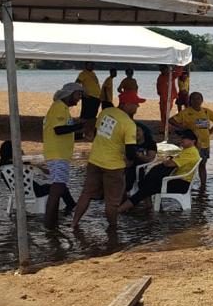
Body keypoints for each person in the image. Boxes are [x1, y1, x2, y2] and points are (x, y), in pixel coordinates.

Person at [71, 90, 144, 231]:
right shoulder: (129, 124)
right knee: (112, 201)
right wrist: (132, 160)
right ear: (126, 104)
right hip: (114, 166)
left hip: (95, 160)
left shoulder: (105, 112)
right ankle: (112, 228)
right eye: (135, 104)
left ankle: (74, 223)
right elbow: (130, 151)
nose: (137, 107)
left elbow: (97, 133)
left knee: (86, 193)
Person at [118, 129, 201, 212]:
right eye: (181, 137)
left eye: (185, 138)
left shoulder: (191, 153)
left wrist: (166, 161)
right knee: (145, 184)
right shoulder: (187, 151)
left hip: (181, 184)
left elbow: (170, 164)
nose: (181, 140)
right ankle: (147, 207)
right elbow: (171, 162)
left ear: (193, 141)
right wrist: (167, 161)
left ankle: (120, 210)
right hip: (177, 180)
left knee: (146, 188)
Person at [42, 82, 85, 228]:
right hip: (57, 154)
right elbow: (59, 130)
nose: (79, 98)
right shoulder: (59, 107)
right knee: (58, 186)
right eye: (78, 94)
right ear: (69, 94)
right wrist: (80, 125)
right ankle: (49, 223)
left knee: (59, 185)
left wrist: (81, 135)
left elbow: (65, 132)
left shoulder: (63, 109)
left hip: (59, 153)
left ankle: (52, 221)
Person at [170, 91, 213, 189]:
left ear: (202, 100)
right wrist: (183, 128)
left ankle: (203, 186)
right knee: (189, 165)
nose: (196, 101)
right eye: (193, 99)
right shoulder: (186, 112)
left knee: (202, 165)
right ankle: (186, 184)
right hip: (192, 145)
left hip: (205, 144)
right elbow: (171, 120)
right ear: (190, 101)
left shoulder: (206, 111)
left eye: (198, 98)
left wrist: (211, 131)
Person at [124, 117, 157, 196]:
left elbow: (150, 158)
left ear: (143, 131)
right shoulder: (129, 142)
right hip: (128, 164)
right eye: (133, 131)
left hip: (142, 165)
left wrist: (140, 156)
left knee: (134, 171)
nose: (135, 133)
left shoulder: (150, 143)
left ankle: (128, 191)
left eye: (137, 131)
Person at [156, 66, 179, 131]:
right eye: (161, 69)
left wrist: (177, 66)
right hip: (162, 97)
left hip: (169, 97)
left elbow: (178, 73)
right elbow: (158, 85)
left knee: (166, 112)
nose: (162, 71)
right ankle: (163, 126)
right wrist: (159, 92)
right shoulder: (160, 77)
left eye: (163, 69)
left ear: (167, 69)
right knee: (162, 112)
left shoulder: (171, 75)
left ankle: (166, 126)